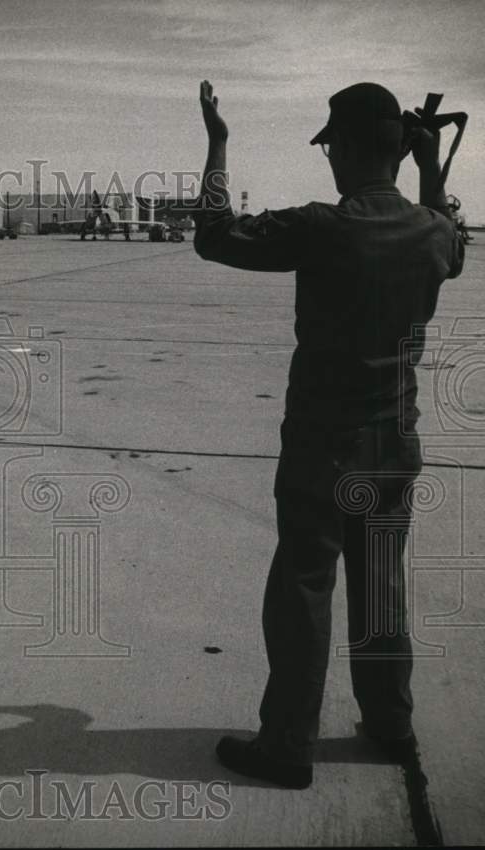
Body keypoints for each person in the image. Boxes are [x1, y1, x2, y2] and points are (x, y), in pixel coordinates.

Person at [193, 80, 464, 789]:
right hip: (392, 447)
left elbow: (215, 237)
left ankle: (287, 744)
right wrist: (429, 164)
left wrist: (219, 145)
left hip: (321, 446)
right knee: (380, 590)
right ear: (400, 150)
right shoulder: (434, 235)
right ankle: (390, 723)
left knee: (304, 589)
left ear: (341, 148)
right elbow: (448, 228)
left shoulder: (321, 226)